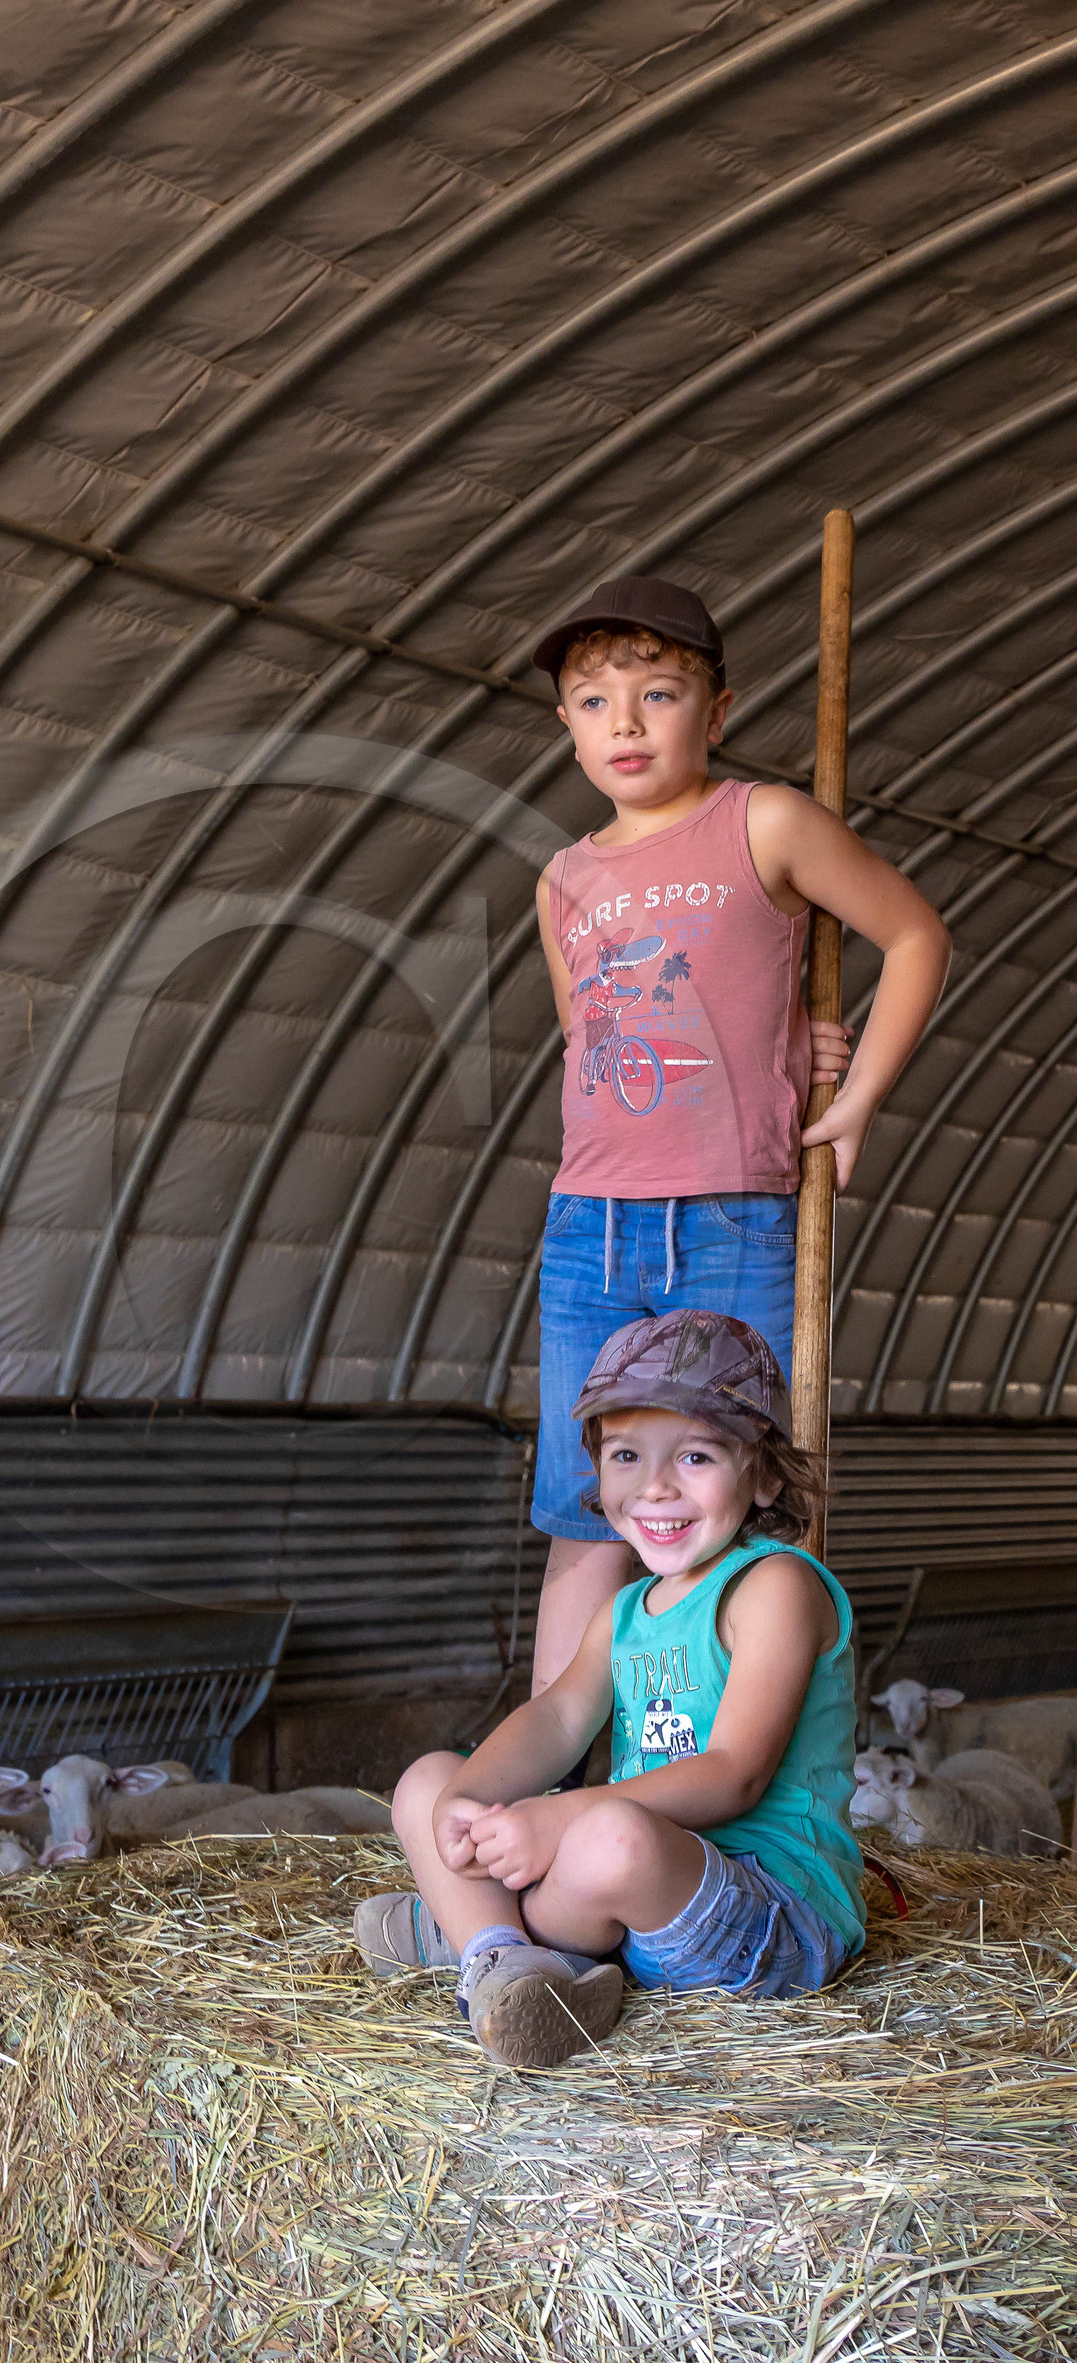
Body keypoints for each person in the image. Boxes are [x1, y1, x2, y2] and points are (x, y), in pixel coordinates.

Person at [526, 575, 951, 1709]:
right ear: (565, 723)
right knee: (587, 1516)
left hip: (732, 1220)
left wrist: (848, 1093)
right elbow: (599, 1041)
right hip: (588, 1230)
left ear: (713, 712)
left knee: (736, 1507)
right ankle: (556, 1796)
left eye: (657, 694)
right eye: (592, 700)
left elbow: (913, 934)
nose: (623, 722)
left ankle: (731, 1771)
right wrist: (773, 1040)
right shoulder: (563, 880)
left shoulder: (762, 820)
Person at [356, 1311, 865, 2072]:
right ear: (597, 1466)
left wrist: (558, 1817)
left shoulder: (774, 1586)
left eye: (695, 1456)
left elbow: (736, 1772)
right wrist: (465, 1802)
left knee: (610, 1838)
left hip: (767, 1913)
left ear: (762, 1474)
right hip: (625, 1897)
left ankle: (463, 1929)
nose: (656, 1486)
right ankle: (503, 1960)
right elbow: (559, 1715)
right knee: (425, 1783)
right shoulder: (625, 1611)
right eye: (626, 1454)